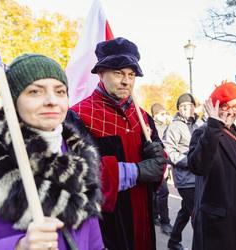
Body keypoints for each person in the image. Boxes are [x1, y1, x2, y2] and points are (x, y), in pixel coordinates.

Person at [0, 54, 104, 250]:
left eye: (60, 91)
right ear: (13, 100)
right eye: (35, 92)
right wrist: (18, 246)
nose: (52, 101)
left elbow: (93, 240)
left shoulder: (80, 157)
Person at [68, 37, 166, 250]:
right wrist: (136, 171)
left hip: (144, 217)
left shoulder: (142, 116)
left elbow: (159, 167)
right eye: (118, 73)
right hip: (107, 225)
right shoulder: (78, 116)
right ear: (101, 73)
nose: (126, 81)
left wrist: (160, 159)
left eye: (131, 75)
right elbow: (77, 174)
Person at [188, 81, 236, 250]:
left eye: (235, 107)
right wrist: (213, 125)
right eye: (227, 106)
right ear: (216, 107)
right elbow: (197, 165)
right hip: (220, 224)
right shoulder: (204, 131)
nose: (232, 112)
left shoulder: (235, 129)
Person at [163, 93, 203, 250]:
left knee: (185, 211)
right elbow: (168, 152)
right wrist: (191, 162)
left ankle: (173, 241)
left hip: (200, 177)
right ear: (179, 109)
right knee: (198, 216)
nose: (188, 109)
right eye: (183, 107)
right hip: (185, 179)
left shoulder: (199, 124)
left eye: (191, 105)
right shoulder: (174, 127)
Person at [150, 103, 173, 235]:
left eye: (165, 113)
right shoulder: (150, 127)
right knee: (161, 192)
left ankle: (157, 216)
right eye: (161, 114)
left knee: (159, 193)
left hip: (165, 163)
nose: (164, 116)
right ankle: (164, 221)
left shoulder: (166, 126)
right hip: (156, 165)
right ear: (155, 115)